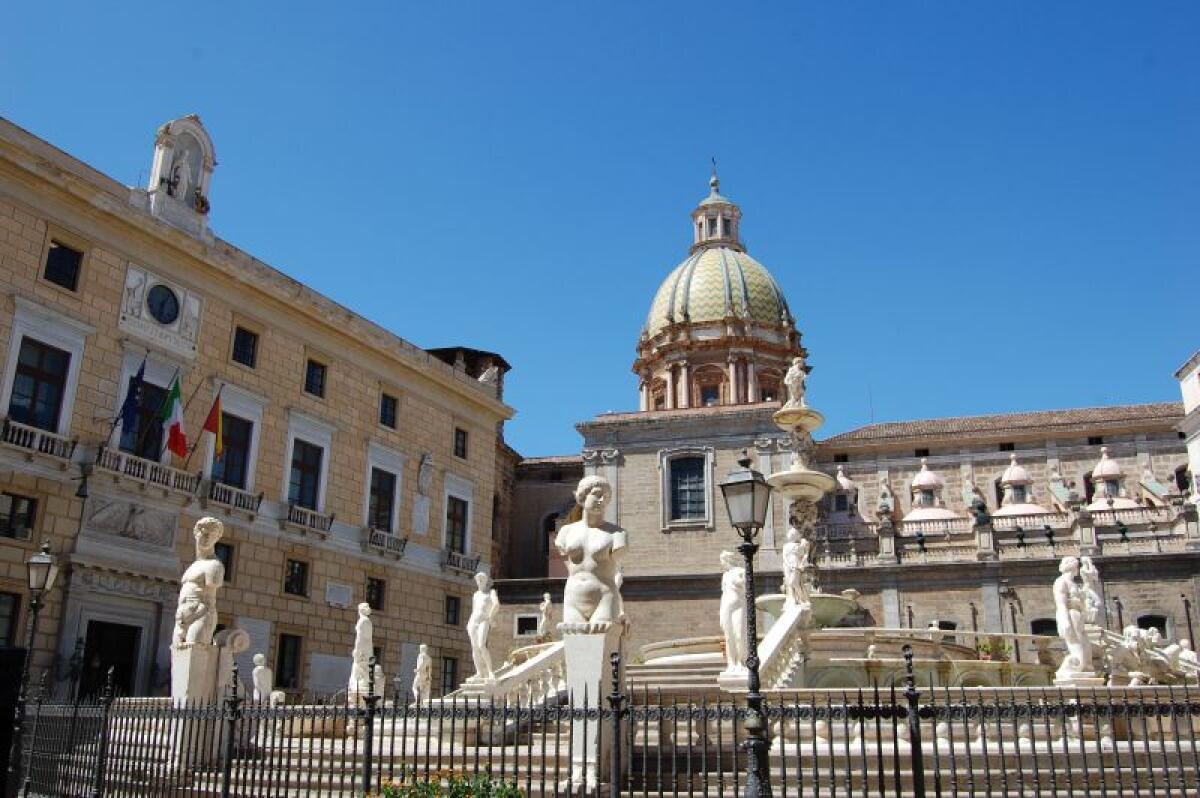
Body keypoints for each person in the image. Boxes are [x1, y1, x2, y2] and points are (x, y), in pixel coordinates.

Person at [554, 476, 627, 625]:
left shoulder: (617, 534)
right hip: (572, 598)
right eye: (597, 494)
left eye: (605, 497)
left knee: (599, 641)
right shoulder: (565, 532)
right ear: (582, 496)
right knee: (574, 643)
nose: (601, 500)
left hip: (604, 597)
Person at [173, 517, 225, 646]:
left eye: (213, 536)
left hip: (201, 614)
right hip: (181, 616)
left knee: (195, 653)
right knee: (178, 655)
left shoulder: (215, 565)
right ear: (196, 533)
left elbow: (209, 594)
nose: (208, 538)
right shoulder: (193, 566)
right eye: (205, 533)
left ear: (217, 539)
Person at [1053, 556, 1092, 678]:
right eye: (1077, 566)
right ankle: (1075, 667)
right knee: (1076, 643)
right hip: (1070, 615)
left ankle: (1083, 667)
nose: (1079, 568)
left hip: (1078, 615)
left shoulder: (1073, 582)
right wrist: (1064, 620)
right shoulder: (1061, 581)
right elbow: (1060, 602)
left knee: (1086, 646)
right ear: (1072, 567)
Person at [718, 551, 747, 673]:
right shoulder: (725, 575)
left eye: (722, 561)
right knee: (729, 637)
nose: (721, 564)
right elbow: (724, 594)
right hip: (726, 607)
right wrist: (721, 612)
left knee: (739, 635)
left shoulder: (741, 571)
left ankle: (742, 662)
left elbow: (748, 589)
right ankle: (732, 663)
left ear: (728, 560)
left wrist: (740, 583)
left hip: (738, 606)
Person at [467, 572, 499, 680]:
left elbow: (496, 604)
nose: (480, 581)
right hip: (473, 622)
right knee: (475, 648)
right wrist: (469, 624)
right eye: (478, 579)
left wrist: (491, 617)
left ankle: (490, 672)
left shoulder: (491, 592)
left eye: (482, 579)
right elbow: (474, 610)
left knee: (481, 645)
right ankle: (479, 672)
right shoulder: (475, 595)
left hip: (484, 621)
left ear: (486, 580)